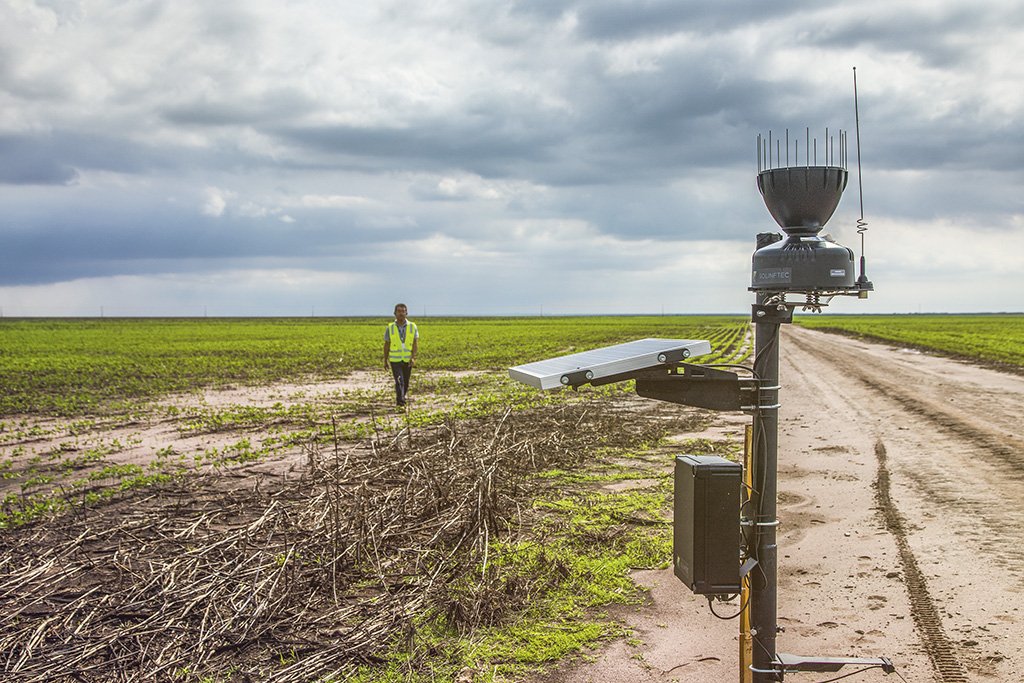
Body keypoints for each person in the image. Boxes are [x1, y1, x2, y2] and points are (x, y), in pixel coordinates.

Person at [383, 303, 418, 407]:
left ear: (406, 313)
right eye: (399, 311)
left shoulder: (412, 326)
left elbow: (415, 344)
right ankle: (400, 402)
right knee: (399, 380)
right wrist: (385, 360)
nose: (401, 313)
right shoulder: (390, 327)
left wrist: (413, 357)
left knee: (406, 382)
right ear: (395, 313)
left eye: (403, 311)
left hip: (407, 360)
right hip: (395, 360)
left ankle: (402, 397)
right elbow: (387, 344)